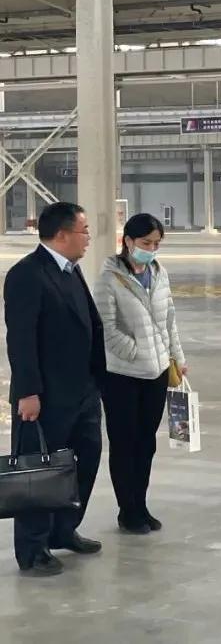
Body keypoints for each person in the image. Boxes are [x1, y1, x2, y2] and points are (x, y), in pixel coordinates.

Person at [4, 202, 106, 577]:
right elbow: (21, 339)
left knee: (86, 461)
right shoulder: (27, 275)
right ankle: (33, 550)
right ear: (62, 234)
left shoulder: (71, 271)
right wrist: (28, 392)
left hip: (83, 392)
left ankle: (64, 530)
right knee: (39, 472)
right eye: (84, 230)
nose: (88, 237)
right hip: (45, 397)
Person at [94, 213, 187, 534]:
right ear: (128, 241)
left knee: (146, 442)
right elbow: (106, 329)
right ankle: (127, 510)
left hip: (157, 373)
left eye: (157, 244)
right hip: (122, 375)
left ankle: (141, 504)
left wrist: (176, 357)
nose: (152, 249)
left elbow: (169, 320)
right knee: (125, 443)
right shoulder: (109, 279)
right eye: (146, 243)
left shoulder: (159, 274)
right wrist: (137, 351)